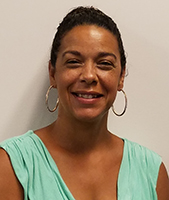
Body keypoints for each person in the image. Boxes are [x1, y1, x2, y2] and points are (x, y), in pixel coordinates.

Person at [0, 6, 168, 200]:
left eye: (104, 63)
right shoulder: (12, 166)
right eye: (74, 62)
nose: (89, 76)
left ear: (121, 77)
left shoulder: (152, 173)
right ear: (53, 73)